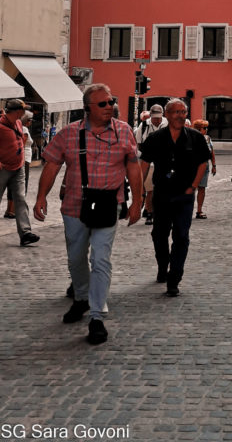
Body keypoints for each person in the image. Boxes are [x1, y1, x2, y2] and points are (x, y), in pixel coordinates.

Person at [33, 84, 142, 344]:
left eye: (111, 101)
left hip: (108, 204)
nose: (110, 107)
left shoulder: (124, 131)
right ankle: (81, 297)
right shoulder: (69, 134)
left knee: (101, 259)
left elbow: (134, 168)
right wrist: (40, 197)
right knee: (75, 258)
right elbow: (51, 166)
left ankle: (96, 317)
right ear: (87, 108)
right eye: (103, 104)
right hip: (74, 205)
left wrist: (137, 201)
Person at [138, 98, 210, 297]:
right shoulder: (156, 138)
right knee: (159, 235)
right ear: (167, 115)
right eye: (175, 112)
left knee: (181, 237)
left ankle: (174, 278)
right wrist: (139, 193)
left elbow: (203, 162)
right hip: (161, 195)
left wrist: (193, 187)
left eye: (183, 112)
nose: (179, 115)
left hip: (184, 195)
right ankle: (163, 265)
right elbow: (143, 165)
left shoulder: (195, 138)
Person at [0, 99, 39, 246]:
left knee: (20, 198)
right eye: (23, 110)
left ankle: (25, 233)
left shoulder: (17, 122)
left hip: (18, 167)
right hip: (3, 169)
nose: (25, 112)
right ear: (17, 111)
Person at [136, 104, 167, 224]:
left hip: (164, 161)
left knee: (162, 188)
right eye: (155, 118)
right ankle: (149, 213)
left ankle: (159, 211)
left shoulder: (167, 124)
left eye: (159, 118)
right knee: (150, 189)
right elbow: (138, 143)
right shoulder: (144, 125)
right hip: (148, 161)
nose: (157, 121)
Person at [3, 108, 34, 220]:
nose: (31, 122)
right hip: (23, 159)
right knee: (20, 185)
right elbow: (21, 145)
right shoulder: (24, 129)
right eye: (30, 119)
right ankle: (13, 210)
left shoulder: (18, 127)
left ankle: (10, 210)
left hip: (20, 159)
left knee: (12, 185)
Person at [192, 119, 216, 218]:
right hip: (193, 166)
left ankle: (199, 210)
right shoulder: (191, 138)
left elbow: (212, 153)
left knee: (202, 188)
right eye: (204, 128)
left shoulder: (207, 138)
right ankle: (187, 209)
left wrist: (214, 165)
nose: (206, 130)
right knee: (192, 188)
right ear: (198, 129)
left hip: (205, 165)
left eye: (206, 128)